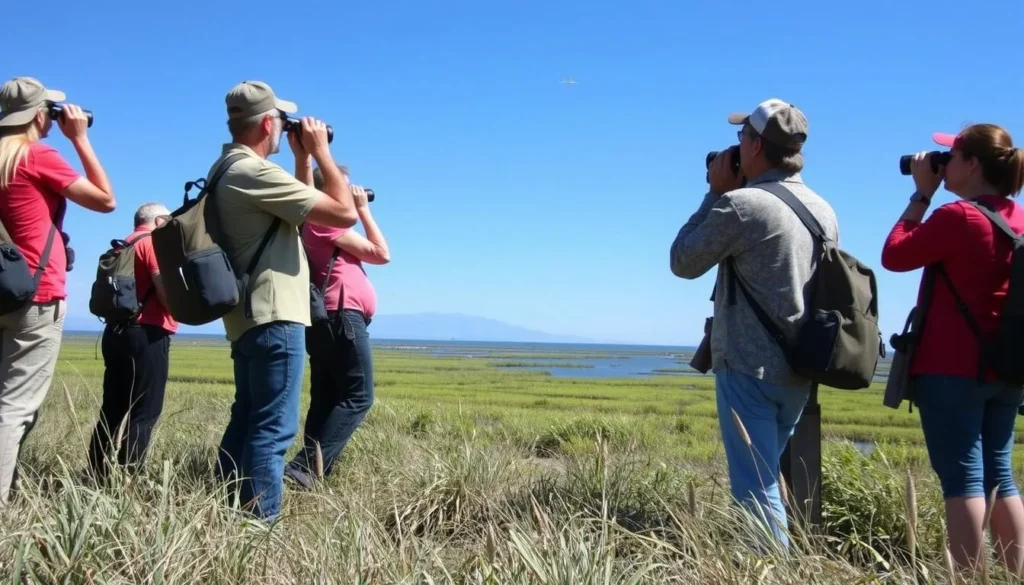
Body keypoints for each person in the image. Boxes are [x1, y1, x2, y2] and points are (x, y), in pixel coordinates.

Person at [669, 98, 838, 548]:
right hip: (799, 369)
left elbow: (683, 261)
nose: (735, 145)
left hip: (749, 368)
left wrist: (715, 193)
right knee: (765, 479)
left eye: (742, 137)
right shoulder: (823, 209)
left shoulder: (744, 205)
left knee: (756, 490)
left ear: (758, 146)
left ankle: (769, 571)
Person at [211, 80, 358, 522]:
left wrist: (300, 158)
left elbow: (298, 212)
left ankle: (226, 510)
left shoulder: (228, 168)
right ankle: (260, 527)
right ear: (269, 123)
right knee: (273, 429)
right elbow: (342, 211)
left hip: (248, 315)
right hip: (274, 315)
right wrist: (321, 154)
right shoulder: (252, 171)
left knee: (248, 417)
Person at [881, 124, 1024, 575]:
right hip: (1006, 367)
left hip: (951, 370)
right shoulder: (1016, 219)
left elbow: (895, 255)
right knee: (1000, 476)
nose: (944, 163)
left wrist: (922, 194)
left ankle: (968, 578)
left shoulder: (959, 217)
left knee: (963, 482)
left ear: (973, 165)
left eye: (953, 155)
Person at [0, 77, 115, 505]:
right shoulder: (35, 155)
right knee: (15, 406)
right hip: (35, 292)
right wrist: (80, 139)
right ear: (37, 114)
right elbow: (105, 200)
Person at [285, 165, 389, 488]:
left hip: (323, 320)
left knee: (326, 397)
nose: (349, 191)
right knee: (360, 396)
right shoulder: (324, 223)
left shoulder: (310, 223)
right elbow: (381, 253)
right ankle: (303, 468)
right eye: (342, 187)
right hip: (342, 317)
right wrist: (363, 211)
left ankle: (313, 476)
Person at [87, 203, 178, 481]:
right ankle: (130, 479)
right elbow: (164, 291)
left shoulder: (122, 245)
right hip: (147, 333)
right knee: (146, 410)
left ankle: (95, 472)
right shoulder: (151, 244)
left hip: (116, 332)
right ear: (160, 220)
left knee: (113, 407)